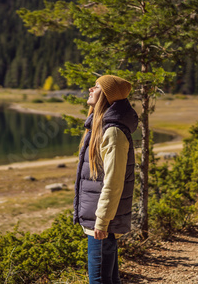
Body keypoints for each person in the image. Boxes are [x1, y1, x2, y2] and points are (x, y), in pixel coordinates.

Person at [73, 75, 139, 284]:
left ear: (107, 96)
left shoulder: (113, 132)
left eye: (97, 87)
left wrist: (101, 221)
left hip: (102, 223)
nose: (91, 89)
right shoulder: (100, 127)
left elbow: (114, 182)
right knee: (108, 280)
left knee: (99, 280)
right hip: (100, 221)